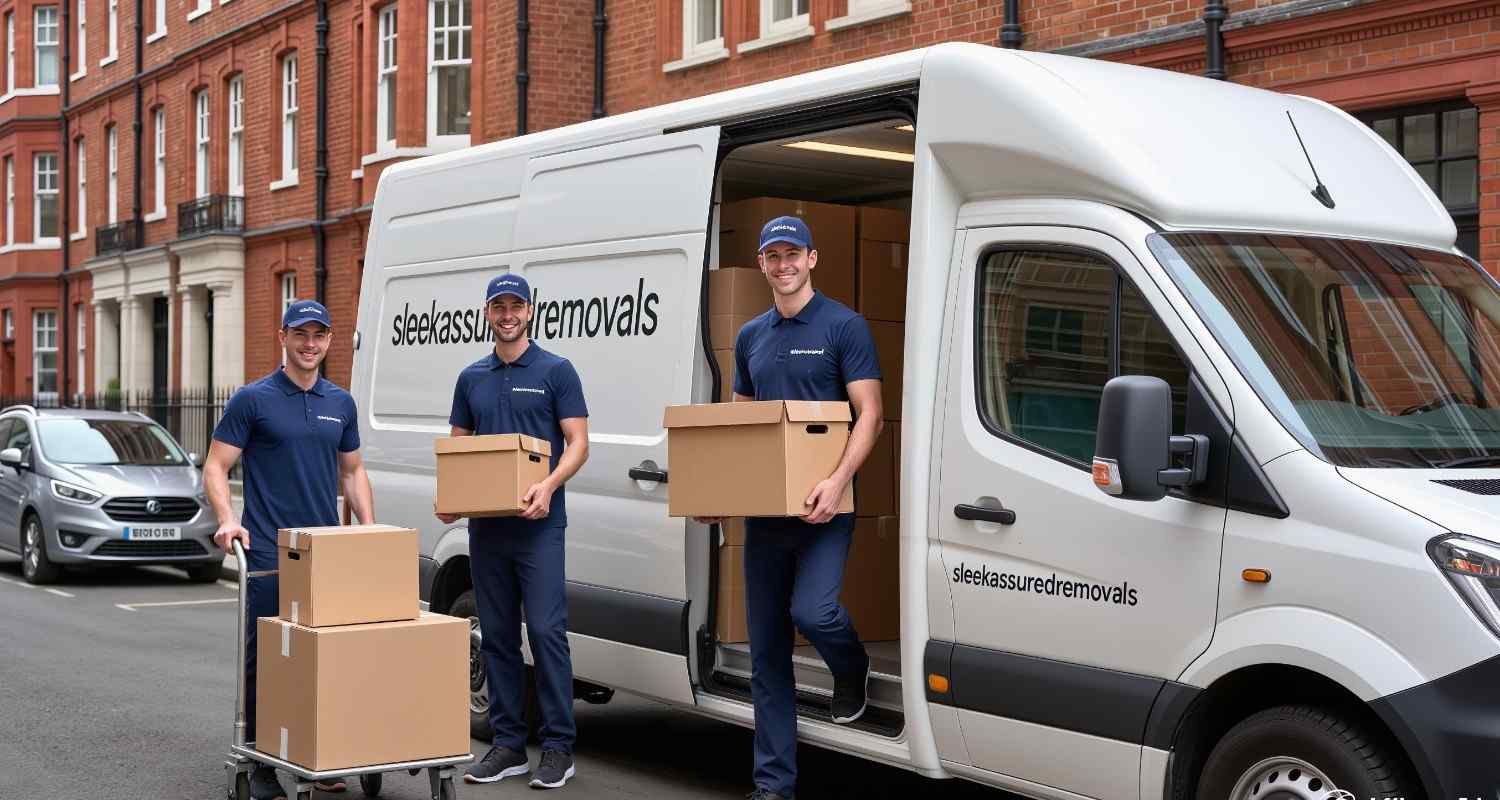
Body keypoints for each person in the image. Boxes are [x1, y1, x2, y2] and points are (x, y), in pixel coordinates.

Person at [700, 215, 884, 800]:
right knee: (767, 653)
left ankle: (851, 671)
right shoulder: (752, 336)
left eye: (792, 254)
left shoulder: (844, 326)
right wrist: (721, 497)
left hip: (829, 508)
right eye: (772, 256)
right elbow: (741, 427)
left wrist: (835, 482)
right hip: (766, 516)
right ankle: (773, 785)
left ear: (812, 258)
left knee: (815, 611)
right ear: (761, 264)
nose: (782, 265)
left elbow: (871, 415)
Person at [207, 300, 375, 800]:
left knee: (325, 657)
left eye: (318, 335)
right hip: (267, 553)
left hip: (325, 554)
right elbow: (216, 466)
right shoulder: (252, 400)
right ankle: (261, 761)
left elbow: (352, 471)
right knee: (265, 659)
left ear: (329, 340)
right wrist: (227, 521)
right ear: (283, 336)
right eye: (300, 334)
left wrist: (368, 527)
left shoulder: (340, 402)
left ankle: (320, 750)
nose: (309, 344)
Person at [436, 274, 590, 790]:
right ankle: (507, 746)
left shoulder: (556, 371)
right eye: (498, 306)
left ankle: (558, 748)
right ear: (486, 313)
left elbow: (579, 443)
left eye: (515, 305)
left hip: (539, 525)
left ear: (529, 311)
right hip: (488, 530)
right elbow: (458, 445)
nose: (507, 314)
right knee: (497, 636)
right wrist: (450, 498)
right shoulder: (471, 378)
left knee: (546, 634)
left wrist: (547, 486)